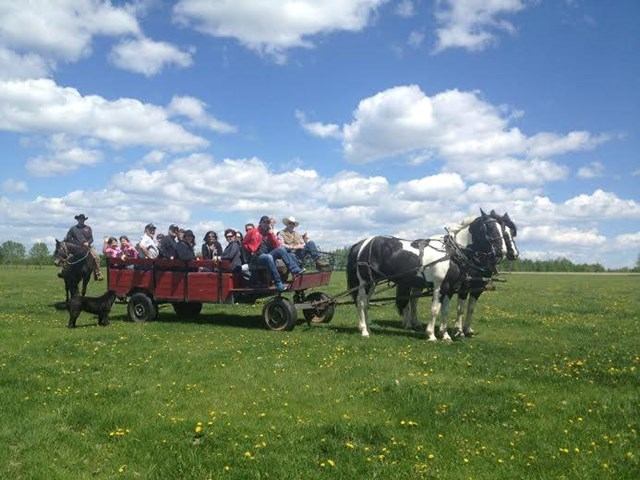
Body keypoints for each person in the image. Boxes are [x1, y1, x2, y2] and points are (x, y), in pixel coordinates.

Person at [243, 215, 303, 292]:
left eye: (267, 222)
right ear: (260, 223)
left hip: (267, 255)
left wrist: (271, 234)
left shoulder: (269, 233)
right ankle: (278, 282)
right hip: (257, 256)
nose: (266, 224)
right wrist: (250, 250)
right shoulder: (253, 231)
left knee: (281, 249)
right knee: (268, 257)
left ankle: (295, 271)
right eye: (264, 222)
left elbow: (277, 245)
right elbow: (244, 243)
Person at [64, 213, 103, 280]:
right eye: (80, 219)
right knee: (65, 255)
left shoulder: (88, 228)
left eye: (82, 219)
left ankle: (97, 273)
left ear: (84, 220)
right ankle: (64, 272)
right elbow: (68, 238)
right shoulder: (73, 228)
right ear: (77, 220)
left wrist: (88, 243)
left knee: (96, 257)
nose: (81, 220)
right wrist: (74, 243)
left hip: (87, 247)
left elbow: (91, 238)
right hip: (75, 247)